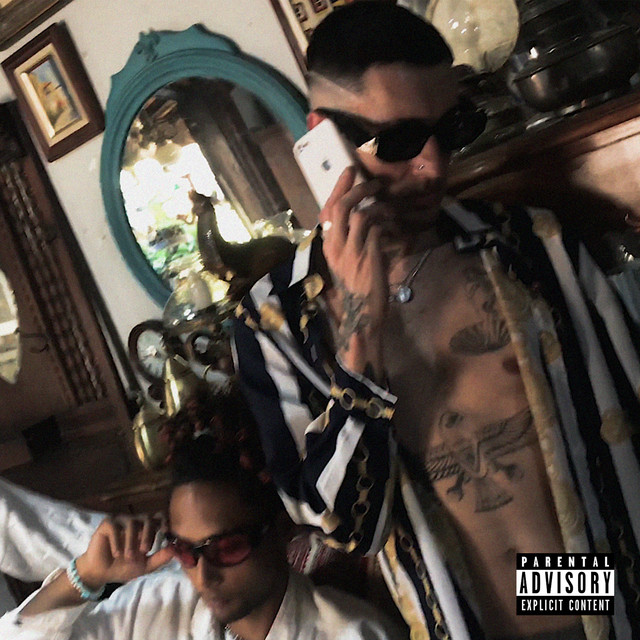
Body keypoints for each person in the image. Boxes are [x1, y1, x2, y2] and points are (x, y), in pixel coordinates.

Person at [232, 3, 640, 640]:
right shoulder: (274, 320)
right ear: (321, 139)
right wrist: (362, 333)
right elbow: (350, 529)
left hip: (602, 615)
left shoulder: (535, 249)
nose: (433, 167)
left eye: (452, 130)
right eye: (398, 142)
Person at [0, 389, 405, 640]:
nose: (203, 576)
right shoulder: (160, 603)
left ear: (281, 529)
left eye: (226, 548)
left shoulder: (354, 634)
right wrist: (84, 577)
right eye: (185, 551)